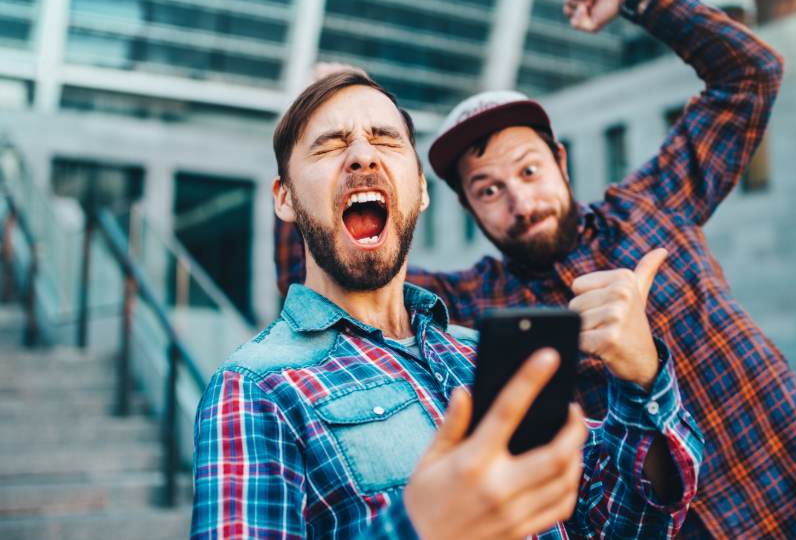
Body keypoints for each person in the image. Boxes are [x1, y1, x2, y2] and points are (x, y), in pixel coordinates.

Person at [273, 0, 796, 538]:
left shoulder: (653, 206)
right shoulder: (472, 303)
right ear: (466, 208)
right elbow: (328, 273)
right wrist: (309, 133)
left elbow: (751, 73)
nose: (519, 202)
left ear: (562, 163)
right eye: (488, 190)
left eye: (528, 171)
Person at [192, 70, 704, 538]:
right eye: (329, 147)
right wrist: (423, 526)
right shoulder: (255, 385)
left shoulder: (486, 356)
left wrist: (642, 379)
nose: (362, 156)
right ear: (284, 199)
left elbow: (619, 522)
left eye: (385, 140)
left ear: (420, 190)